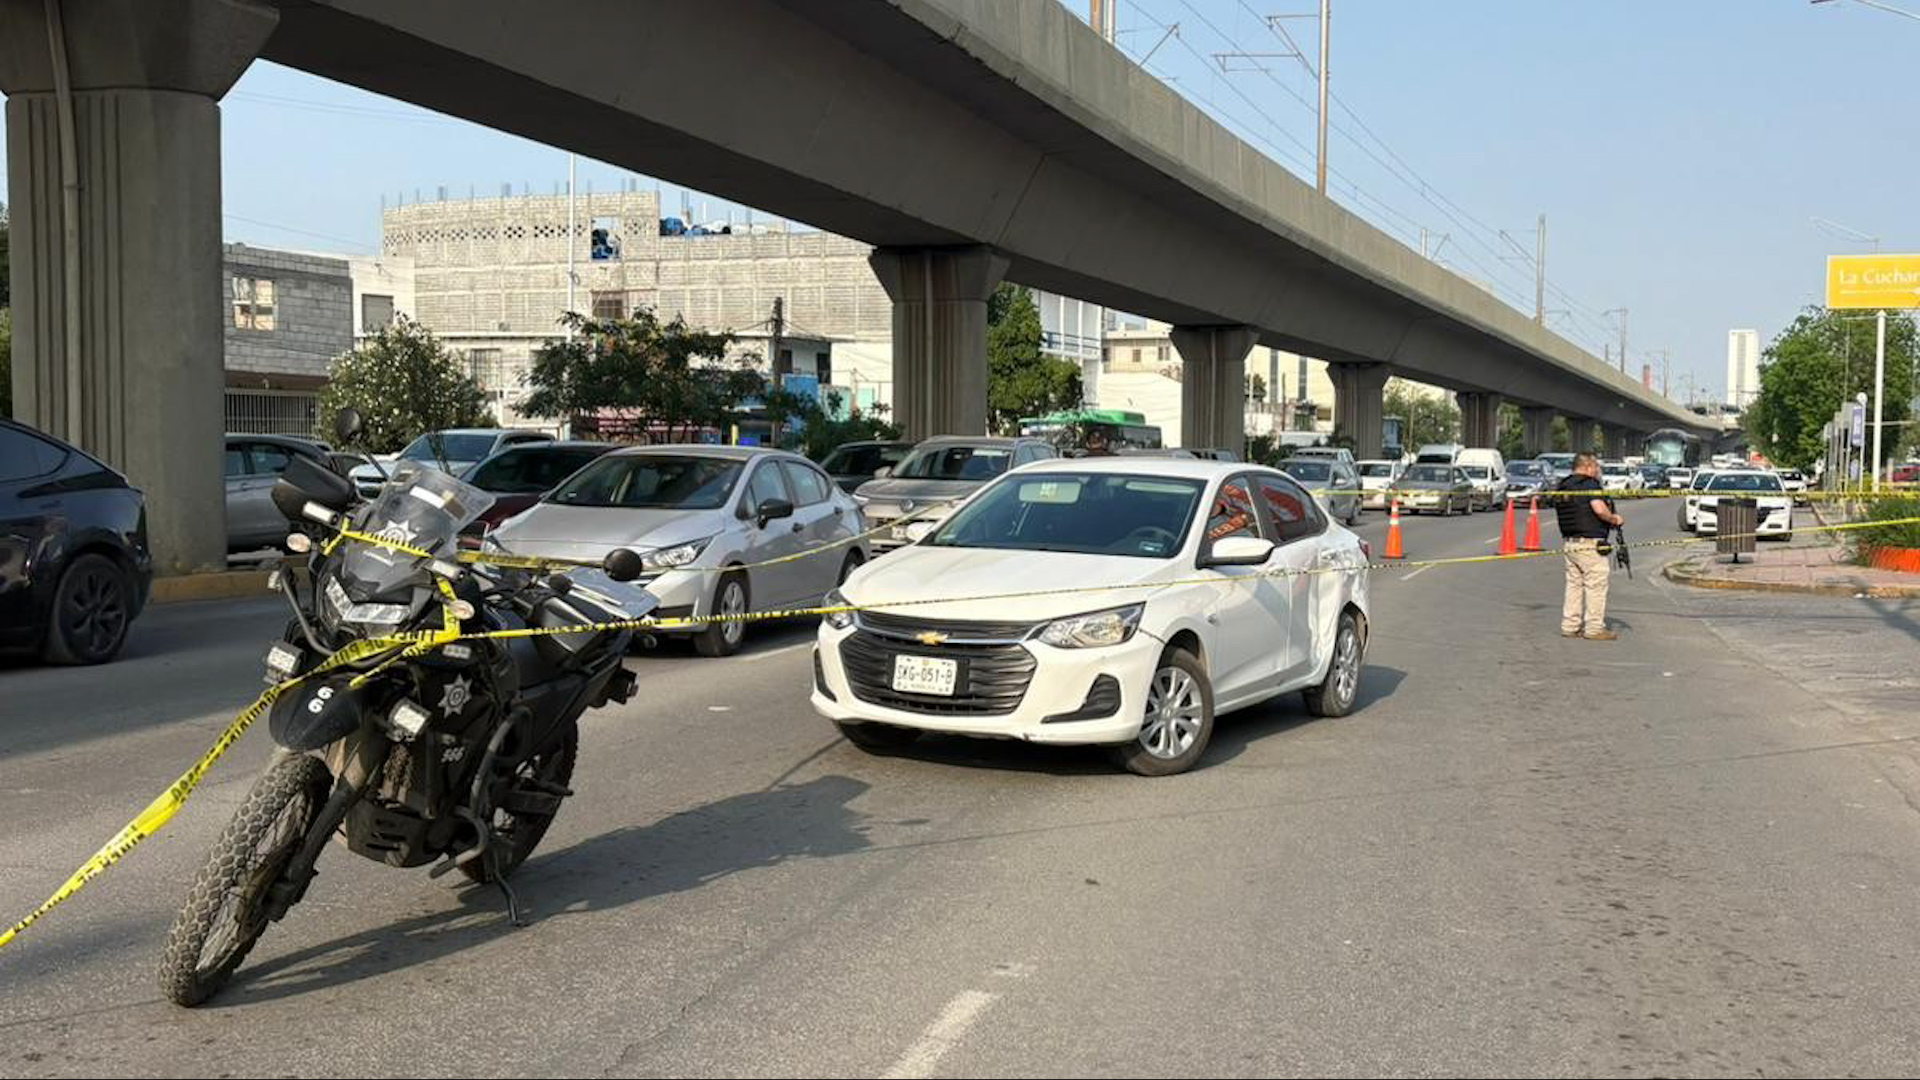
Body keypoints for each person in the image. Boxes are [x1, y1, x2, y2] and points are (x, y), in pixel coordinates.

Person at [1555, 452, 1625, 640]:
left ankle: (1570, 625)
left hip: (1570, 543)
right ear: (1587, 467)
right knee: (1596, 585)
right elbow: (1599, 509)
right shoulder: (1589, 484)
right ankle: (1594, 628)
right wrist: (1614, 519)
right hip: (1590, 543)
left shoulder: (1563, 485)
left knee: (1574, 585)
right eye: (1596, 467)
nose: (1598, 471)